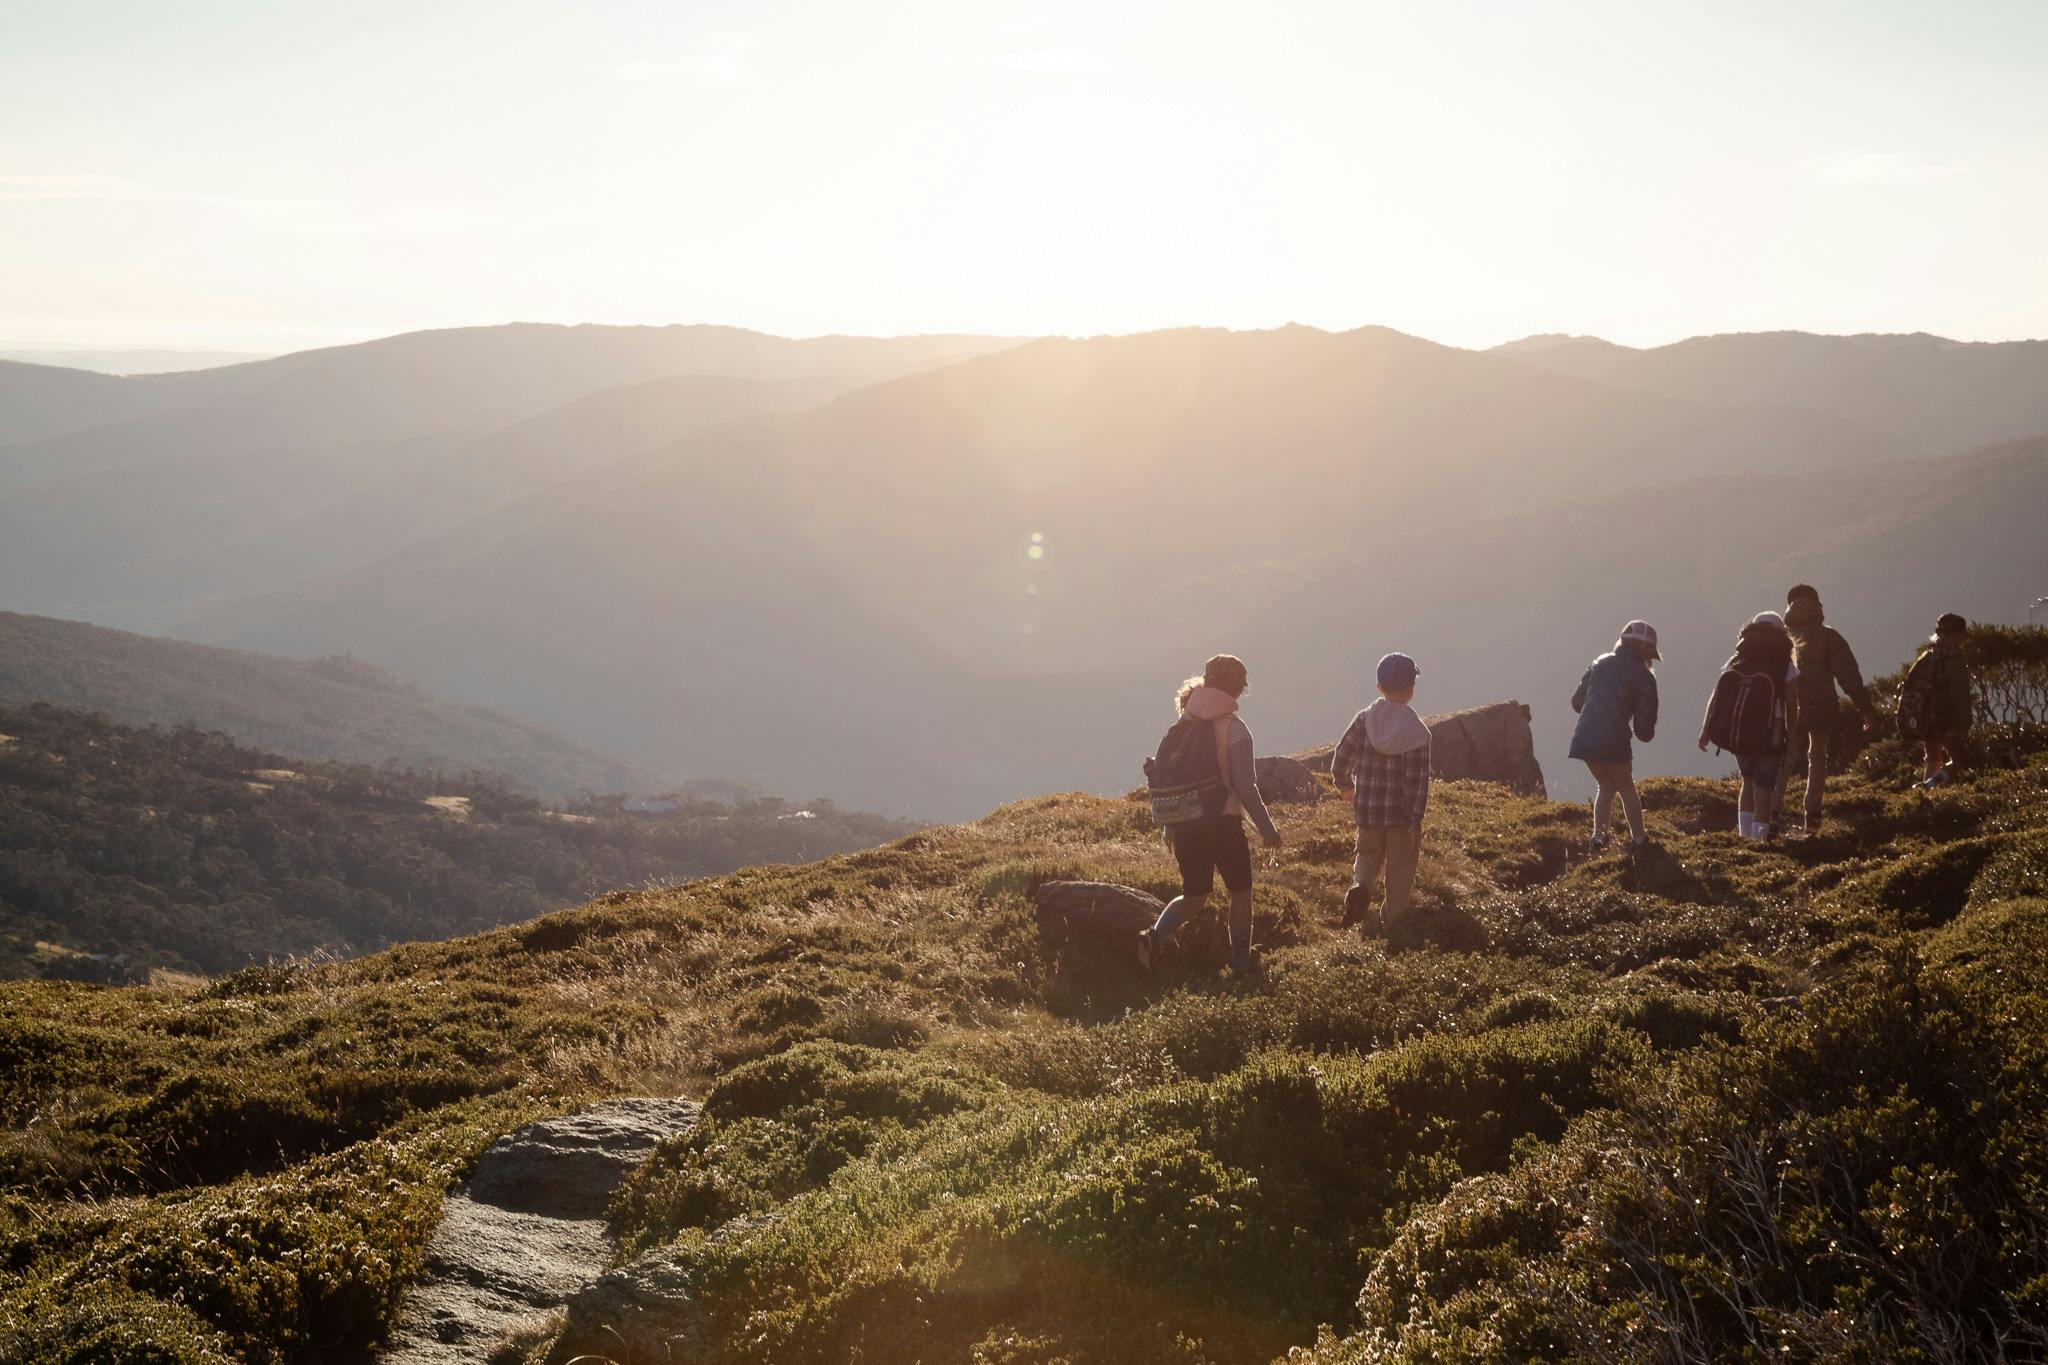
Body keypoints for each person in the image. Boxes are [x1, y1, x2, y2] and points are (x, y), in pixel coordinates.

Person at [1136, 654, 1281, 972]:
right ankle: (1241, 959)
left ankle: (1154, 937)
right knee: (1240, 891)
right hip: (1223, 821)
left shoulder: (1184, 722)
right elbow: (1245, 786)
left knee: (1194, 895)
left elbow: (1172, 777)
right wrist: (1267, 829)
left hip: (1186, 820)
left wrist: (1170, 826)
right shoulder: (1235, 729)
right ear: (1237, 689)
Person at [1329, 653, 1432, 934]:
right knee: (1399, 869)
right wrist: (1414, 820)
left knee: (1367, 854)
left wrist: (1345, 785)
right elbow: (1417, 782)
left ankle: (1360, 886)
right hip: (1400, 818)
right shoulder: (1417, 732)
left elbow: (1341, 757)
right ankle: (1394, 924)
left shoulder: (1364, 720)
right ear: (1411, 688)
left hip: (1368, 811)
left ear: (1379, 687)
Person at [1777, 585, 1881, 836]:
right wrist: (1865, 709)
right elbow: (1849, 676)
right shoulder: (1829, 636)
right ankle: (1812, 813)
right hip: (1822, 707)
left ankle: (1772, 811)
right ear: (1817, 605)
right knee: (1818, 755)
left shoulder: (1781, 637)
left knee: (1786, 758)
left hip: (1789, 709)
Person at [1698, 611, 1800, 841]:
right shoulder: (1784, 665)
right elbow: (1793, 706)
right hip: (1770, 736)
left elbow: (1716, 698)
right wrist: (1792, 738)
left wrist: (1706, 729)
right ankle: (1759, 841)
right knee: (1764, 790)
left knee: (1747, 782)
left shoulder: (1736, 660)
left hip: (1740, 735)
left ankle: (1744, 837)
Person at [1569, 621, 1660, 854]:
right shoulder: (1644, 677)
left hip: (1585, 738)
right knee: (1626, 787)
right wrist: (1641, 732)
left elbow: (1577, 702)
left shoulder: (1599, 662)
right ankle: (1639, 840)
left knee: (1605, 786)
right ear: (1645, 649)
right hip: (1614, 740)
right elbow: (1644, 728)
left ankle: (1598, 837)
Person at [1900, 613, 1974, 788]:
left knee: (1933, 760)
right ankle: (1929, 787)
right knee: (1958, 762)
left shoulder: (1928, 656)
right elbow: (1960, 695)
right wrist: (1965, 723)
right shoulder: (1954, 660)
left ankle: (1925, 798)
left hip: (1927, 719)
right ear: (1956, 635)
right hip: (1949, 719)